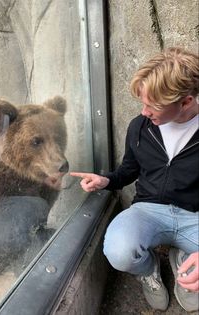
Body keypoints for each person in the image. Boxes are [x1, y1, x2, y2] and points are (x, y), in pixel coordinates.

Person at [70, 47, 199, 312]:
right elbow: (127, 171)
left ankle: (185, 261)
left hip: (194, 217)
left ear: (185, 102)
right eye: (143, 102)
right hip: (148, 210)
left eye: (153, 105)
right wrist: (105, 180)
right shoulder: (139, 127)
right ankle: (149, 269)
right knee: (118, 250)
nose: (144, 112)